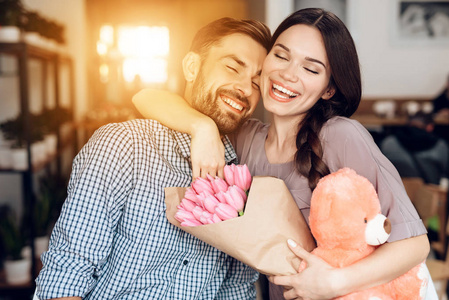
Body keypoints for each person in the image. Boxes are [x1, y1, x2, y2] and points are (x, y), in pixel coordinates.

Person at [133, 8, 433, 300]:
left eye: (310, 68)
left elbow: (415, 245)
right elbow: (144, 97)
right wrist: (202, 127)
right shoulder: (245, 138)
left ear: (328, 89)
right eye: (281, 55)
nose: (288, 74)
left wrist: (334, 283)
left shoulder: (340, 135)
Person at [34, 17, 271, 300]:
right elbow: (67, 275)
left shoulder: (239, 173)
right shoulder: (125, 146)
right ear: (192, 67)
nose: (245, 89)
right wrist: (201, 127)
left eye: (257, 83)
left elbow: (235, 291)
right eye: (233, 67)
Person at [381, 111, 449, 185]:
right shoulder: (440, 147)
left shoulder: (388, 143)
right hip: (429, 193)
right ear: (430, 127)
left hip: (397, 191)